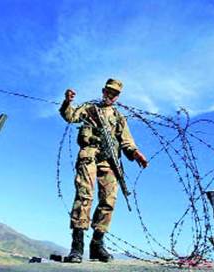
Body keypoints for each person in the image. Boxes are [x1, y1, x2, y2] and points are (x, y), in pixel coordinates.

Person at [59, 78, 149, 263]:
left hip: (110, 161)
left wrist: (135, 153)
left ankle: (97, 245)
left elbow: (126, 141)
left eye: (114, 93)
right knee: (84, 196)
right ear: (103, 91)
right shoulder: (89, 108)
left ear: (118, 96)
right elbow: (70, 116)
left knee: (108, 201)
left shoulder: (118, 117)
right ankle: (77, 247)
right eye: (108, 91)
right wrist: (68, 102)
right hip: (90, 155)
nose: (111, 95)